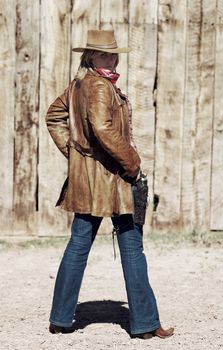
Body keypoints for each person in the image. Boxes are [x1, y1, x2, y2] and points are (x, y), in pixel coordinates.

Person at [46, 29, 174, 340]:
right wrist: (132, 163)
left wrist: (78, 156)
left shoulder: (79, 85)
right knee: (132, 248)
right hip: (115, 180)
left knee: (78, 245)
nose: (111, 58)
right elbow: (103, 129)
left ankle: (60, 319)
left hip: (89, 182)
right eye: (104, 54)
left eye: (113, 53)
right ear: (89, 56)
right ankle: (144, 323)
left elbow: (54, 116)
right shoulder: (101, 87)